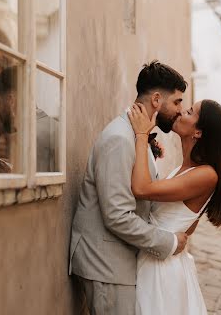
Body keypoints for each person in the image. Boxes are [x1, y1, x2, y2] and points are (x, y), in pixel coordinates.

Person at [69, 61, 189, 315]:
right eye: (177, 102)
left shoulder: (138, 136)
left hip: (120, 262)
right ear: (157, 99)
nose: (180, 110)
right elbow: (117, 215)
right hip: (106, 264)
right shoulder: (120, 139)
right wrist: (167, 242)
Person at [128, 99, 221, 315]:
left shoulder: (207, 175)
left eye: (189, 112)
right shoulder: (183, 168)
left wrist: (141, 136)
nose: (180, 113)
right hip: (156, 255)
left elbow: (141, 188)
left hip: (161, 270)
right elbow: (187, 222)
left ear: (198, 132)